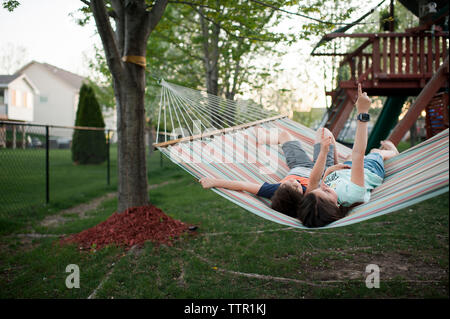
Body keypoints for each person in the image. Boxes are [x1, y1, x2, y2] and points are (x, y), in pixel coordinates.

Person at [298, 83, 400, 228]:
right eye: (325, 191)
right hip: (369, 170)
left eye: (320, 189)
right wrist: (362, 112)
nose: (323, 186)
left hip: (348, 170)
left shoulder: (320, 197)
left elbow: (317, 182)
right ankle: (392, 152)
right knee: (375, 153)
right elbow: (358, 154)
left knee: (349, 158)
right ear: (336, 206)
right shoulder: (352, 195)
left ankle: (382, 152)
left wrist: (328, 171)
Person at [199, 125, 340, 218]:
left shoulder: (276, 191)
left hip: (298, 165)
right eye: (296, 186)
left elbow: (242, 185)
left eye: (286, 184)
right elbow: (315, 178)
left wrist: (215, 182)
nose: (293, 181)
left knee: (284, 135)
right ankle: (337, 161)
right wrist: (330, 157)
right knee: (325, 132)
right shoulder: (310, 196)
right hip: (322, 169)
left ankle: (263, 137)